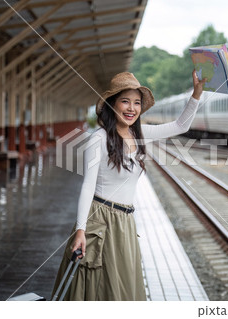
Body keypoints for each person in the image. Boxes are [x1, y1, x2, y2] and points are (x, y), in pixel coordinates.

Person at [52, 70, 206, 301]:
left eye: (136, 103)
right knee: (98, 288)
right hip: (100, 221)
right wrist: (81, 231)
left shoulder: (140, 134)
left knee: (123, 289)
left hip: (125, 222)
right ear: (112, 104)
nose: (131, 108)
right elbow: (87, 186)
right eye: (125, 101)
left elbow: (180, 126)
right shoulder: (99, 138)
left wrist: (197, 93)